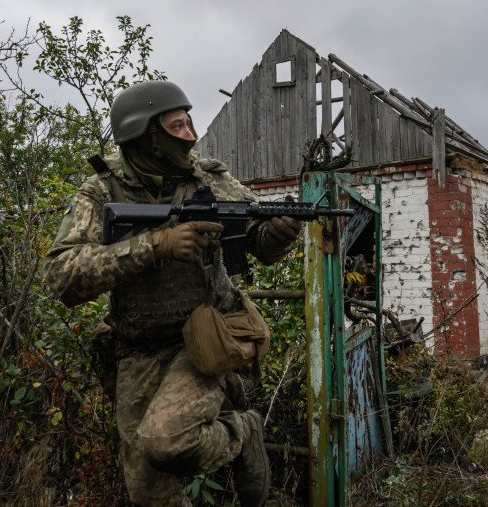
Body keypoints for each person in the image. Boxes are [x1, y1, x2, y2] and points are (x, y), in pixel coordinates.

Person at [44, 81, 300, 506]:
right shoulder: (103, 189)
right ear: (147, 135)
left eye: (189, 122)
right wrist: (156, 245)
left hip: (202, 340)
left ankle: (243, 430)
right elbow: (62, 275)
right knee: (148, 492)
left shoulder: (208, 178)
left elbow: (255, 239)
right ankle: (240, 432)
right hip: (136, 349)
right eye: (177, 125)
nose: (190, 134)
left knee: (167, 442)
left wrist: (279, 233)